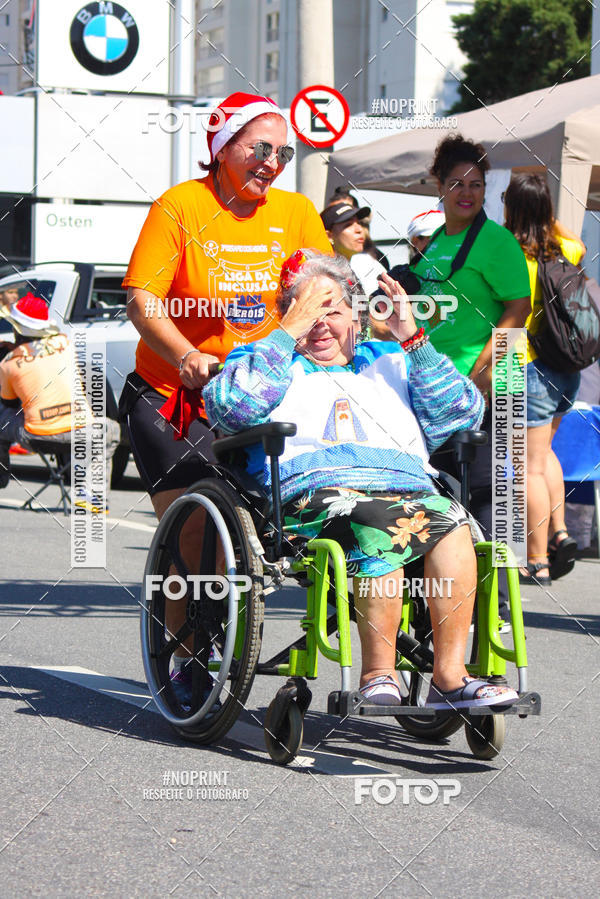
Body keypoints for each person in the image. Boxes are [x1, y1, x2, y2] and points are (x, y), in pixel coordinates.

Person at [203, 250, 519, 710]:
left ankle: (451, 677)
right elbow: (230, 409)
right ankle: (377, 674)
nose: (320, 323)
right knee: (379, 521)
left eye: (332, 310)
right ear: (288, 313)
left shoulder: (392, 358)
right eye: (307, 309)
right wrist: (286, 333)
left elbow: (462, 412)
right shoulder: (266, 358)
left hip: (406, 490)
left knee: (452, 523)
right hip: (316, 493)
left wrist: (414, 338)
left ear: (357, 315)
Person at [122, 91, 331, 702]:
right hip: (176, 393)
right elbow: (142, 299)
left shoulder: (296, 212)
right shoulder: (181, 205)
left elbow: (323, 290)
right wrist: (185, 353)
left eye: (283, 153)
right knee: (195, 533)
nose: (272, 162)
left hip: (258, 392)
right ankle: (187, 655)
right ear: (221, 146)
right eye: (260, 148)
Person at [411, 135, 531, 623]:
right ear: (439, 186)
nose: (467, 193)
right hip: (443, 393)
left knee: (492, 499)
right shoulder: (437, 241)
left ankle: (496, 611)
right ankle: (449, 605)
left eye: (476, 184)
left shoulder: (496, 242)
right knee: (444, 496)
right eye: (457, 184)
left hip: (493, 388)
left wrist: (481, 374)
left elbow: (519, 310)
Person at [504, 173, 586, 584]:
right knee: (544, 455)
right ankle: (560, 531)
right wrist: (544, 216)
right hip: (566, 368)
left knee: (528, 467)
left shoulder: (509, 254)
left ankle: (536, 558)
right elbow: (575, 240)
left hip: (525, 366)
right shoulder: (566, 249)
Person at [0, 294, 119, 494]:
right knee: (111, 429)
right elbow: (42, 353)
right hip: (81, 432)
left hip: (37, 437)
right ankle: (92, 495)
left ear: (17, 329)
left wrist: (14, 352)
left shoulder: (9, 364)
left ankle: (2, 478)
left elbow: (9, 404)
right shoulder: (66, 345)